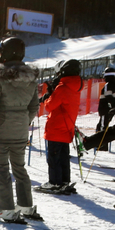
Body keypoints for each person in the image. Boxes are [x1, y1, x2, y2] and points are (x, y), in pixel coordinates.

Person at [0, 37, 39, 221]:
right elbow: (34, 106)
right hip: (21, 129)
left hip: (0, 128)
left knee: (2, 169)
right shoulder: (31, 76)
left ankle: (5, 208)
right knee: (20, 168)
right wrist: (24, 121)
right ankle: (26, 206)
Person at [37, 59, 81, 193]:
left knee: (54, 158)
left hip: (56, 127)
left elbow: (50, 105)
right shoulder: (75, 86)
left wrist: (49, 96)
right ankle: (64, 181)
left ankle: (55, 182)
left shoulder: (62, 87)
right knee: (63, 157)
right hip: (67, 126)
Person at [96, 67, 115, 150]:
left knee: (102, 126)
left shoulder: (108, 85)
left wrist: (111, 106)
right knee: (104, 125)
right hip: (111, 109)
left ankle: (102, 145)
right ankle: (102, 144)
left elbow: (108, 97)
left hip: (105, 109)